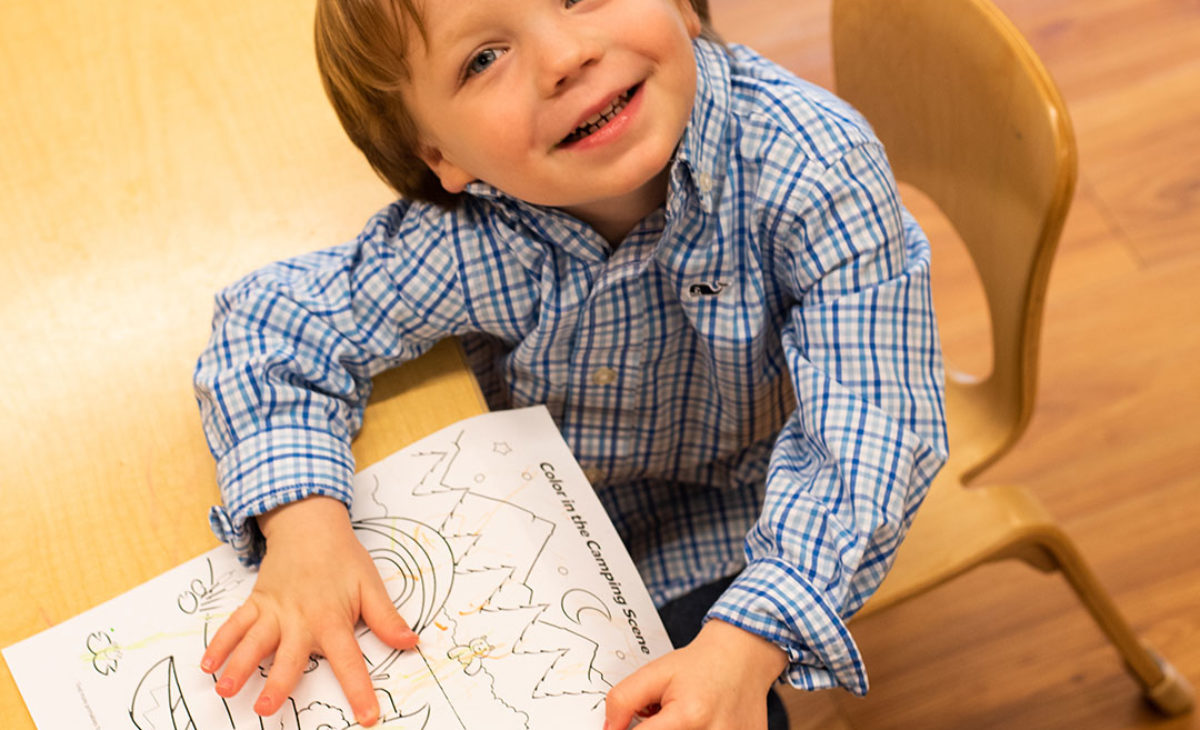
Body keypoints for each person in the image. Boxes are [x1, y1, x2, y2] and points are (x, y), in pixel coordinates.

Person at [193, 0, 949, 727]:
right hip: (534, 528)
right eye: (484, 58)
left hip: (740, 521)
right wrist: (304, 526)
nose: (565, 56)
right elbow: (272, 326)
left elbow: (873, 427)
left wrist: (747, 643)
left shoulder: (814, 169)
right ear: (442, 155)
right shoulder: (473, 237)